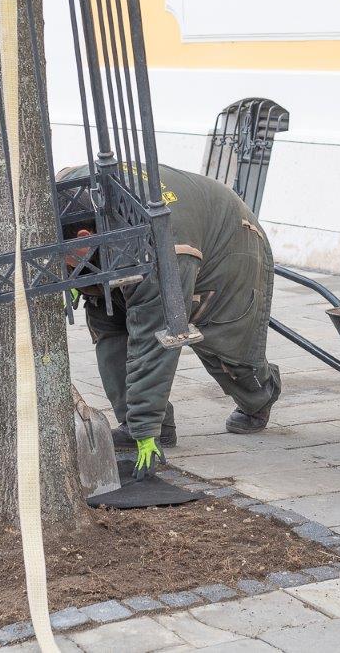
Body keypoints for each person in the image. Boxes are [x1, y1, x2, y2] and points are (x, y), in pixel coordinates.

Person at [63, 164, 281, 475]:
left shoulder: (162, 247)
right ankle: (150, 422)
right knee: (107, 320)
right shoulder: (62, 194)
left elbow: (155, 338)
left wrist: (144, 434)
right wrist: (75, 277)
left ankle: (260, 396)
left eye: (63, 258)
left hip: (228, 242)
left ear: (84, 238)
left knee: (227, 346)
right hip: (127, 244)